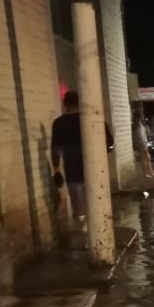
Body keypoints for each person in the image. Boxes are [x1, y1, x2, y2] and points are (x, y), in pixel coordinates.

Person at [50, 90, 112, 227]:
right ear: (81, 103)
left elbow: (56, 149)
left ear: (65, 104)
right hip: (93, 169)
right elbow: (110, 144)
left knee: (78, 206)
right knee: (95, 203)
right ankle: (97, 233)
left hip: (71, 170)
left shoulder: (59, 123)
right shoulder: (94, 120)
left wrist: (56, 170)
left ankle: (83, 233)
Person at [133, 110, 154, 178]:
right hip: (142, 144)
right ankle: (146, 173)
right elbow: (139, 136)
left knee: (147, 158)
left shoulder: (140, 125)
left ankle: (150, 173)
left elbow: (143, 135)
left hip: (144, 143)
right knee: (145, 159)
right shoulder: (137, 126)